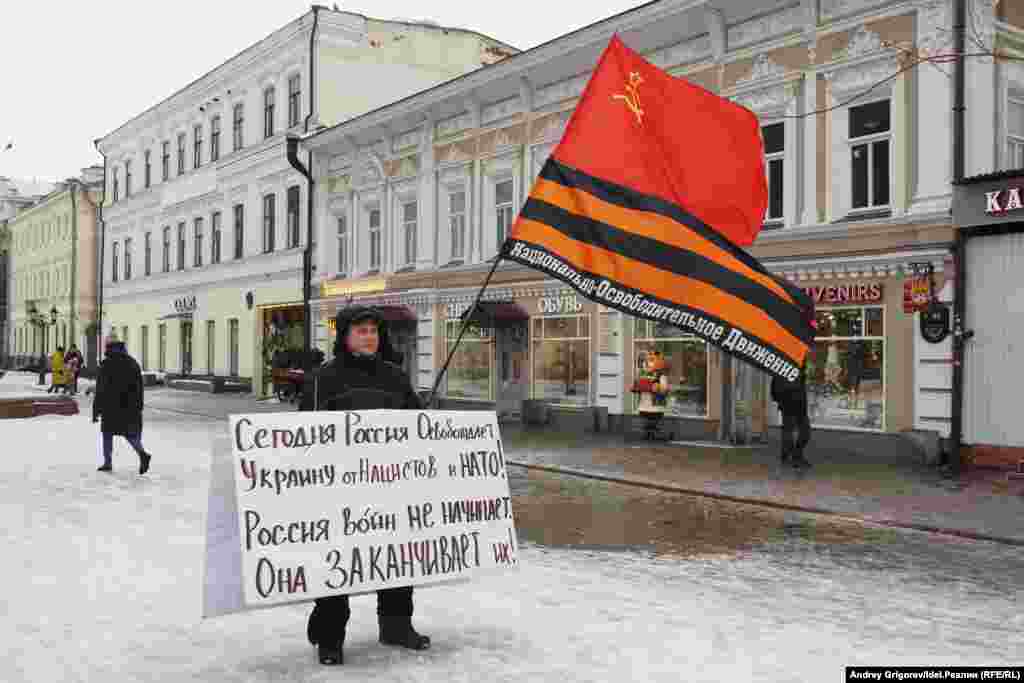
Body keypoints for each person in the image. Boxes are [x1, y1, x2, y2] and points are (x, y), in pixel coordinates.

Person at [299, 306, 429, 666]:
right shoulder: (324, 378)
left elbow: (416, 423)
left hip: (390, 486)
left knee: (397, 558)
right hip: (338, 489)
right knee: (338, 561)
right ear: (344, 336)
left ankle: (396, 625)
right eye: (361, 331)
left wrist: (427, 425)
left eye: (373, 330)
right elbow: (303, 434)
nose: (369, 336)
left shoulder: (395, 376)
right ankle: (329, 638)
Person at [92, 340, 152, 475]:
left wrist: (96, 410)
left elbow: (100, 389)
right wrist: (139, 406)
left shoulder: (106, 364)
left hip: (110, 406)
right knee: (130, 434)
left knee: (107, 434)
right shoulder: (132, 363)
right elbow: (139, 387)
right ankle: (142, 454)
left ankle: (108, 462)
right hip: (129, 407)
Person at [772, 364, 812, 469]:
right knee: (794, 430)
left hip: (797, 403)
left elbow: (775, 388)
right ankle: (794, 456)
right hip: (790, 403)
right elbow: (776, 387)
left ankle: (791, 454)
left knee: (800, 431)